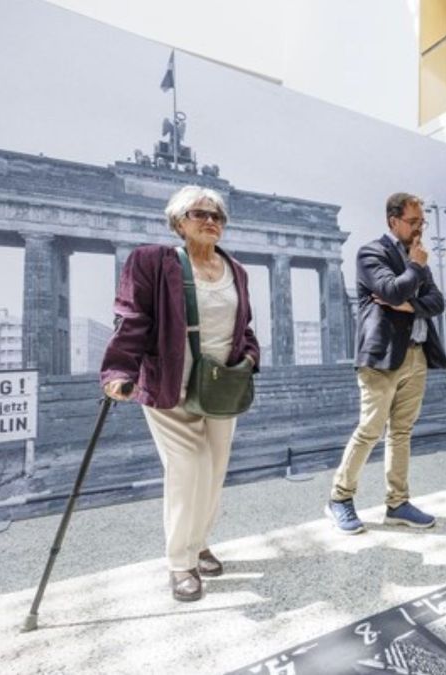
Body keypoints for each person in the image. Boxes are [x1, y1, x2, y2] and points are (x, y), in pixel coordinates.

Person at [100, 186, 260, 602]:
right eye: (199, 214)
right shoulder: (153, 261)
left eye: (218, 216)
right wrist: (119, 369)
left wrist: (249, 358)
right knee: (189, 469)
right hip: (171, 382)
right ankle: (180, 562)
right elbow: (131, 318)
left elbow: (244, 327)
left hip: (222, 386)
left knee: (215, 470)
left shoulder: (236, 270)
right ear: (177, 221)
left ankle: (200, 541)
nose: (211, 221)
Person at [325, 193, 446, 535]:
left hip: (417, 353)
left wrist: (411, 306)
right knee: (370, 430)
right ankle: (339, 498)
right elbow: (391, 291)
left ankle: (397, 503)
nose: (419, 228)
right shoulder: (371, 253)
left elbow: (435, 301)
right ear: (393, 221)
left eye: (422, 222)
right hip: (382, 356)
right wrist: (416, 268)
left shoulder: (416, 255)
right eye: (414, 222)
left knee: (402, 432)